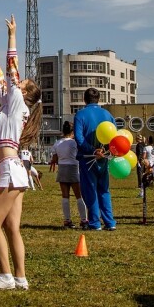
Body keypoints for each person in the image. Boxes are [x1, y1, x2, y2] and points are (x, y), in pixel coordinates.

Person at [0, 18, 42, 292]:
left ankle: (5, 275)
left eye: (22, 83)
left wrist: (12, 36)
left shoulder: (17, 102)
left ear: (24, 92)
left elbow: (11, 68)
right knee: (12, 228)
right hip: (14, 168)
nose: (18, 81)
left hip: (10, 170)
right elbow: (0, 77)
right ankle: (20, 277)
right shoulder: (10, 101)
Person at [74, 88, 116, 231]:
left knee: (90, 190)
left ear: (84, 99)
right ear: (99, 99)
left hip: (88, 158)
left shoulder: (80, 115)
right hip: (103, 158)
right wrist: (104, 151)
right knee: (104, 190)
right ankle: (110, 222)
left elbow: (79, 138)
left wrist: (92, 150)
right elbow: (114, 137)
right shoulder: (108, 114)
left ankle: (95, 223)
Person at [55, 121, 88, 229]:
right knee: (79, 195)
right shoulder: (75, 143)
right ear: (73, 132)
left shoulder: (57, 143)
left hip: (62, 168)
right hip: (74, 167)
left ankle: (67, 220)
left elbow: (55, 158)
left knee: (65, 196)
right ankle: (83, 219)